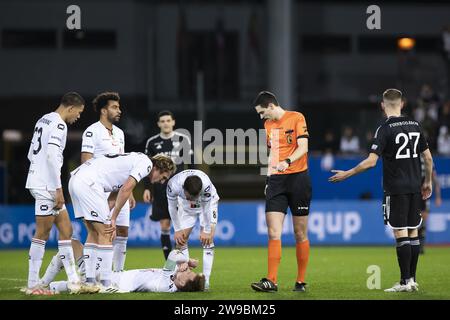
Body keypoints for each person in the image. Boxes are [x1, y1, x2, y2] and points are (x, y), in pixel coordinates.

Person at [329, 88, 433, 292]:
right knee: (413, 232)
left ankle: (405, 282)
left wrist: (346, 174)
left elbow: (370, 162)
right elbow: (428, 158)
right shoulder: (415, 125)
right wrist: (427, 182)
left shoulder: (384, 129)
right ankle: (411, 280)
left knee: (400, 233)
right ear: (402, 104)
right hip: (414, 186)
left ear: (382, 105)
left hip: (396, 188)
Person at [68, 152, 176, 292]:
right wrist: (112, 218)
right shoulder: (147, 164)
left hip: (76, 179)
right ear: (159, 168)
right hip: (89, 183)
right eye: (163, 177)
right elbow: (126, 189)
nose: (161, 181)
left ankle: (90, 282)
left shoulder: (137, 159)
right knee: (107, 232)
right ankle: (106, 284)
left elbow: (116, 190)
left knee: (93, 232)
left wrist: (107, 213)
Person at [24, 92, 86, 295]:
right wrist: (57, 189)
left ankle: (74, 280)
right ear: (70, 108)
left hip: (40, 180)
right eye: (78, 112)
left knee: (66, 230)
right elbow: (51, 156)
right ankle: (33, 285)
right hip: (47, 186)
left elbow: (31, 153)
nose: (78, 117)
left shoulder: (43, 119)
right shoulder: (60, 124)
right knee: (43, 232)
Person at [250, 91, 312, 293]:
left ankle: (301, 280)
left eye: (262, 112)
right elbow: (272, 154)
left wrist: (287, 162)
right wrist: (268, 179)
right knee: (273, 232)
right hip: (277, 181)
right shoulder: (267, 126)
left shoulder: (296, 117)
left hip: (298, 179)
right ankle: (271, 281)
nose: (261, 117)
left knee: (299, 233)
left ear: (270, 106)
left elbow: (303, 147)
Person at [80, 92, 134, 272]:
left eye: (119, 107)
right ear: (104, 110)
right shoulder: (91, 131)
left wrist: (130, 191)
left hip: (120, 190)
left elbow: (123, 164)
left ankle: (118, 273)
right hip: (100, 191)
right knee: (102, 232)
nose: (119, 111)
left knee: (123, 231)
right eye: (114, 107)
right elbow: (85, 162)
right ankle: (94, 272)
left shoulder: (119, 133)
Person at [143, 110, 193, 260]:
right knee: (165, 226)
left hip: (180, 190)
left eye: (168, 120)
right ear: (159, 124)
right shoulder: (152, 142)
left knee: (182, 227)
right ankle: (169, 264)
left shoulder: (183, 140)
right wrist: (147, 187)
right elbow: (146, 167)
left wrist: (191, 187)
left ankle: (182, 259)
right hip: (160, 189)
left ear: (173, 122)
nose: (165, 123)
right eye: (162, 121)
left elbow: (191, 165)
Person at [48, 249, 205, 294]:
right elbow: (174, 270)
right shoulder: (173, 280)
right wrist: (183, 267)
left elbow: (173, 254)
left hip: (111, 282)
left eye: (189, 273)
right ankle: (53, 286)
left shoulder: (165, 284)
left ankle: (45, 284)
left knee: (73, 244)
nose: (188, 269)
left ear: (183, 282)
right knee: (71, 251)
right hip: (115, 279)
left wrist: (185, 260)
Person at [166, 169, 219, 290]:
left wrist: (206, 230)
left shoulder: (206, 185)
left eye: (196, 196)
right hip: (186, 209)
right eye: (191, 196)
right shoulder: (173, 185)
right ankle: (187, 279)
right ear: (183, 190)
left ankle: (205, 281)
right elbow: (172, 207)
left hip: (209, 205)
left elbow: (206, 208)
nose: (194, 199)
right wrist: (177, 229)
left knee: (208, 240)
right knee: (180, 241)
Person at [418, 158, 442, 254]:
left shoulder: (428, 159)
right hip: (413, 192)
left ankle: (421, 246)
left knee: (423, 220)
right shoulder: (411, 156)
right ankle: (413, 244)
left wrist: (438, 197)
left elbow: (435, 179)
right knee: (414, 220)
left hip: (424, 194)